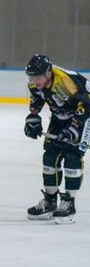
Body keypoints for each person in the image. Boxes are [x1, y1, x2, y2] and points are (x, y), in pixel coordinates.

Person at [23, 54, 89, 224]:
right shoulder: (36, 82)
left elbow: (86, 104)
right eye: (31, 77)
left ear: (48, 73)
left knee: (72, 157)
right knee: (50, 157)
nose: (33, 81)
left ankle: (69, 203)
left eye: (37, 77)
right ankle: (50, 201)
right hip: (59, 117)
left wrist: (73, 128)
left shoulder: (65, 81)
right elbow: (37, 97)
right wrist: (33, 116)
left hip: (84, 117)